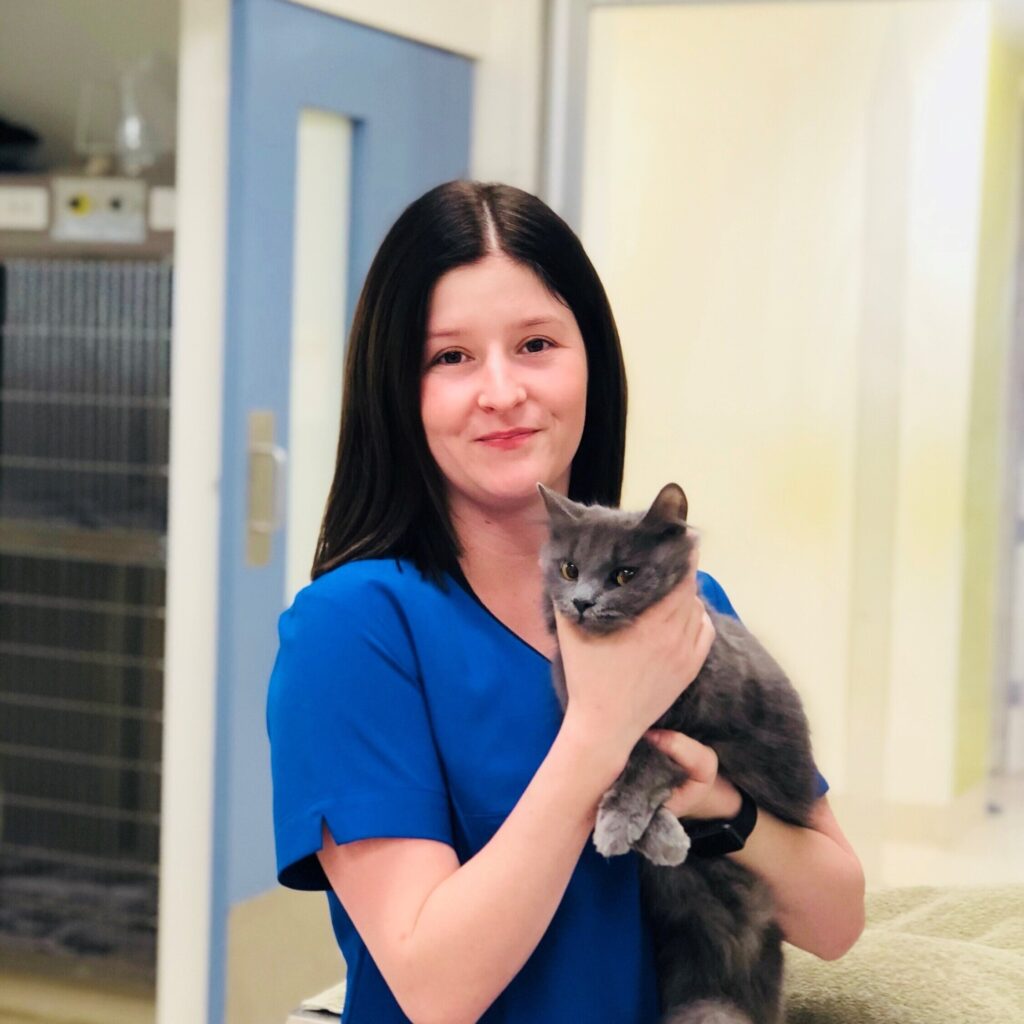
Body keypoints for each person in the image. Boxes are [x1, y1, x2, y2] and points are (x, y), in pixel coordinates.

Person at [266, 180, 865, 1024]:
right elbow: (435, 989)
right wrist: (599, 731)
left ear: (593, 361)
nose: (503, 391)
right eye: (451, 358)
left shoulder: (685, 608)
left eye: (537, 343)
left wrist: (718, 806)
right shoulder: (354, 629)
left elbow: (838, 917)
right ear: (397, 392)